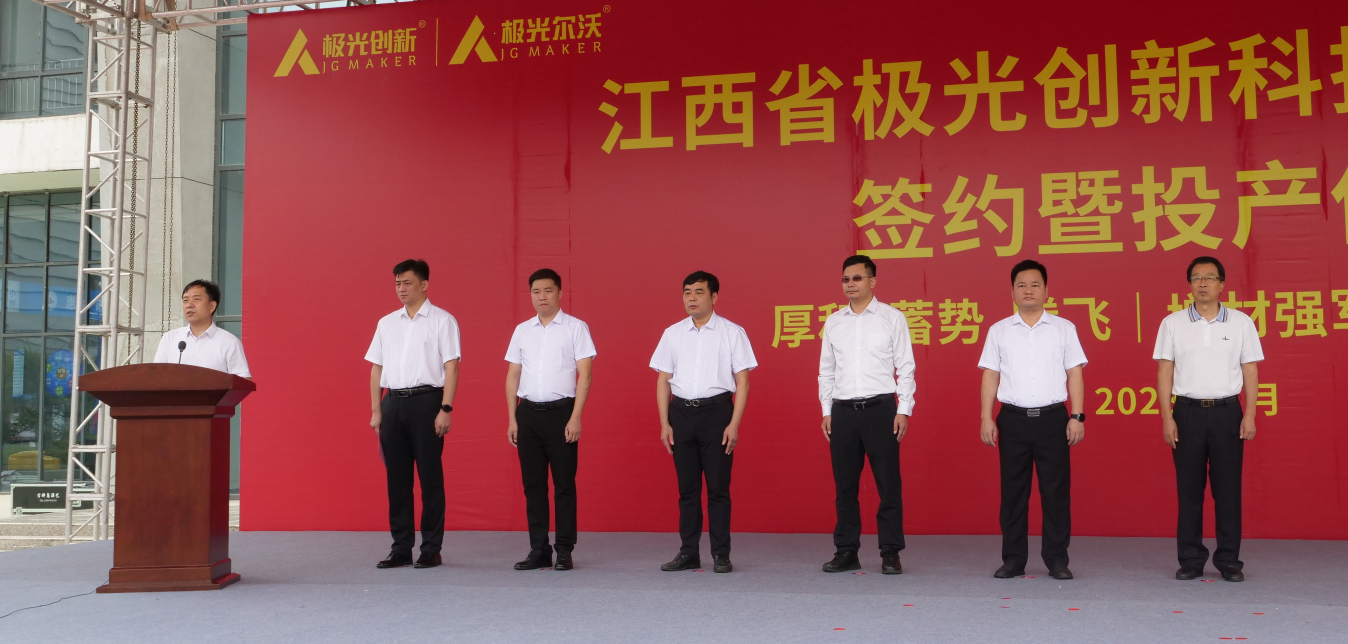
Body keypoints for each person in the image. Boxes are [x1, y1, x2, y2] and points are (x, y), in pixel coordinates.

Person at [1154, 256, 1263, 583]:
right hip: (1186, 413)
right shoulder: (1172, 323)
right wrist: (1167, 417)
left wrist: (1250, 414)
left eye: (1210, 277)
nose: (1203, 283)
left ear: (1222, 284)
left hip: (1228, 413)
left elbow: (1250, 370)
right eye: (1197, 278)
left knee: (1228, 491)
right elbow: (1165, 372)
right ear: (1189, 285)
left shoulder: (1241, 322)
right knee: (1189, 491)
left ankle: (1229, 560)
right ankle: (1190, 559)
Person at [978, 259, 1086, 580]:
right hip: (1013, 420)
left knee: (1056, 494)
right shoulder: (998, 331)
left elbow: (1075, 374)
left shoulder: (1064, 329)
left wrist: (1077, 416)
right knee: (1013, 494)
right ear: (1012, 291)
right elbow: (990, 376)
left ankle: (1057, 559)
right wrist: (986, 417)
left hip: (1053, 420)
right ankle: (1013, 559)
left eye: (1035, 285)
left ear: (1046, 291)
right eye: (1022, 285)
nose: (1028, 290)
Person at [651, 271, 756, 574]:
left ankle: (721, 554)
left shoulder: (732, 332)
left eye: (699, 292)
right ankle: (688, 553)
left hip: (717, 414)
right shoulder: (672, 333)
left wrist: (734, 423)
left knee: (718, 489)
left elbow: (743, 381)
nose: (692, 298)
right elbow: (663, 380)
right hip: (681, 414)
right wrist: (664, 422)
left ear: (714, 296)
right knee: (687, 489)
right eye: (687, 292)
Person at [818, 255, 915, 575]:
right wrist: (827, 410)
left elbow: (906, 367)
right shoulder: (834, 322)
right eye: (846, 279)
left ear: (872, 281)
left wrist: (903, 409)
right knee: (845, 486)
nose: (850, 284)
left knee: (888, 484)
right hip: (843, 412)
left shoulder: (892, 318)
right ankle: (846, 550)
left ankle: (891, 552)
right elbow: (826, 371)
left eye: (857, 278)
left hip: (881, 410)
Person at [365, 259, 460, 570]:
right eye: (397, 283)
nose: (401, 288)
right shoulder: (386, 323)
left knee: (430, 478)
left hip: (427, 402)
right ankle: (401, 547)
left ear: (424, 285)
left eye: (407, 282)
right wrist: (377, 409)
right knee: (397, 480)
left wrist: (445, 408)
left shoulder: (442, 321)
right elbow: (376, 368)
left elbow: (451, 367)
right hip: (392, 402)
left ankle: (431, 548)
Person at [504, 268, 596, 572]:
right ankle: (539, 549)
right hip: (528, 414)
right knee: (533, 485)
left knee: (564, 484)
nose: (541, 296)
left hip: (562, 414)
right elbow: (513, 375)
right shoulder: (522, 331)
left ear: (559, 293)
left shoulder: (576, 328)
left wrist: (575, 417)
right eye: (536, 291)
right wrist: (512, 418)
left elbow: (585, 374)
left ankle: (564, 549)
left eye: (547, 290)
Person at [152, 279, 251, 378]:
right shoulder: (170, 338)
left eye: (196, 299)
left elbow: (243, 379)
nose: (189, 305)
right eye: (185, 300)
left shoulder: (229, 342)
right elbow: (156, 376)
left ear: (212, 306)